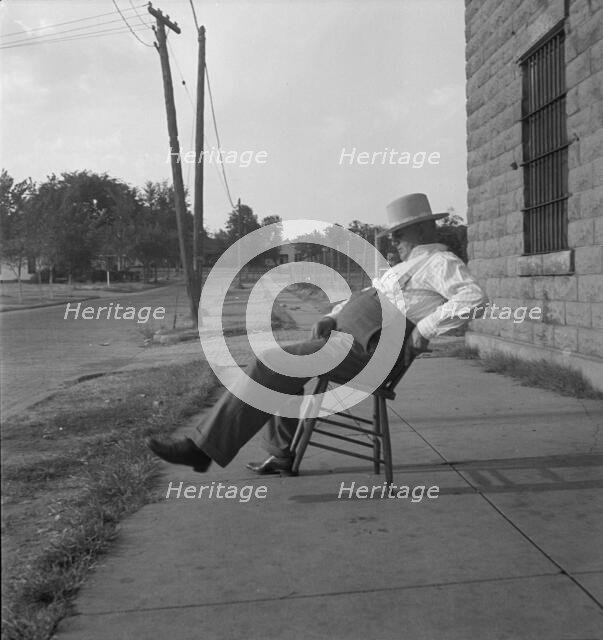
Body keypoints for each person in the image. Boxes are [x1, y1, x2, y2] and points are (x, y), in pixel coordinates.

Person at [147, 193, 488, 474]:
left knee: (272, 363)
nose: (394, 240)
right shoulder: (403, 267)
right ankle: (280, 454)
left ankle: (201, 449)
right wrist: (331, 316)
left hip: (372, 353)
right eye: (394, 234)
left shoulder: (441, 262)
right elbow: (365, 299)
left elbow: (474, 297)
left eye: (401, 233)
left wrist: (424, 331)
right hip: (346, 340)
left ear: (425, 229)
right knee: (283, 365)